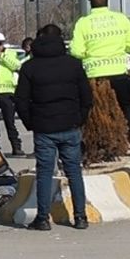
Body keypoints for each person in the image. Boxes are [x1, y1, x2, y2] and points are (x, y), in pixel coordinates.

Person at [15, 24, 93, 232]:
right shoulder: (73, 65)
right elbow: (87, 97)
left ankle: (42, 219)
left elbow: (21, 100)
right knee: (74, 171)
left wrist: (30, 122)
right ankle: (80, 217)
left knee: (45, 173)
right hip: (70, 125)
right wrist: (79, 119)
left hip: (44, 128)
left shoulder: (30, 67)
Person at [70, 0, 130, 154]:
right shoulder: (120, 19)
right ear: (107, 2)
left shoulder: (83, 23)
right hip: (118, 71)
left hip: (94, 75)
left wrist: (90, 54)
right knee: (127, 106)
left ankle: (89, 146)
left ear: (90, 4)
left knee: (89, 110)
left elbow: (76, 50)